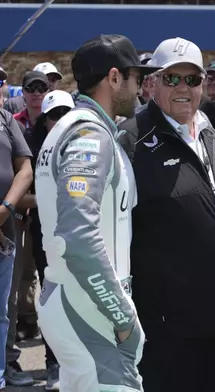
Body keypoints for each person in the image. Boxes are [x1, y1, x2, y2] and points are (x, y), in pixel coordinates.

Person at [118, 37, 215, 392]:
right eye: (172, 79)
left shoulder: (210, 132)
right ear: (152, 83)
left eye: (192, 80)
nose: (184, 88)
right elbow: (115, 235)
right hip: (168, 325)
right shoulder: (130, 140)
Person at [34, 34, 159, 392]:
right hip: (89, 308)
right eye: (136, 78)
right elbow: (78, 236)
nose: (140, 89)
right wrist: (121, 315)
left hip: (74, 299)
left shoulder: (76, 128)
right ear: (115, 77)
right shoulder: (90, 135)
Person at [21, 90, 75, 391]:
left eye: (65, 113)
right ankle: (54, 362)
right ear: (44, 120)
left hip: (80, 234)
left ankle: (79, 362)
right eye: (54, 115)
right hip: (47, 235)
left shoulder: (85, 142)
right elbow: (21, 195)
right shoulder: (34, 147)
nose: (60, 120)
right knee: (52, 299)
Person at [0, 68, 33, 391]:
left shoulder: (6, 121)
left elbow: (24, 169)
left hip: (5, 231)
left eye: (0, 81)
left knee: (2, 311)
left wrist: (5, 208)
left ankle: (1, 371)